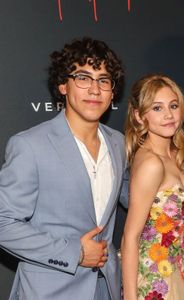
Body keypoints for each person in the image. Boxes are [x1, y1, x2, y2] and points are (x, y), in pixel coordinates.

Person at [0, 37, 127, 300]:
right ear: (63, 86)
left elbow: (139, 197)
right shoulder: (30, 145)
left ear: (112, 92)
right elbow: (3, 224)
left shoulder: (119, 143)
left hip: (106, 288)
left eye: (103, 80)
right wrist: (75, 253)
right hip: (50, 291)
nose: (95, 89)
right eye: (83, 77)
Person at [121, 75, 184, 300]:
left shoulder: (181, 154)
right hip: (154, 276)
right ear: (139, 116)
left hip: (182, 265)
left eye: (173, 106)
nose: (168, 115)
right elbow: (130, 237)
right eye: (157, 108)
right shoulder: (151, 163)